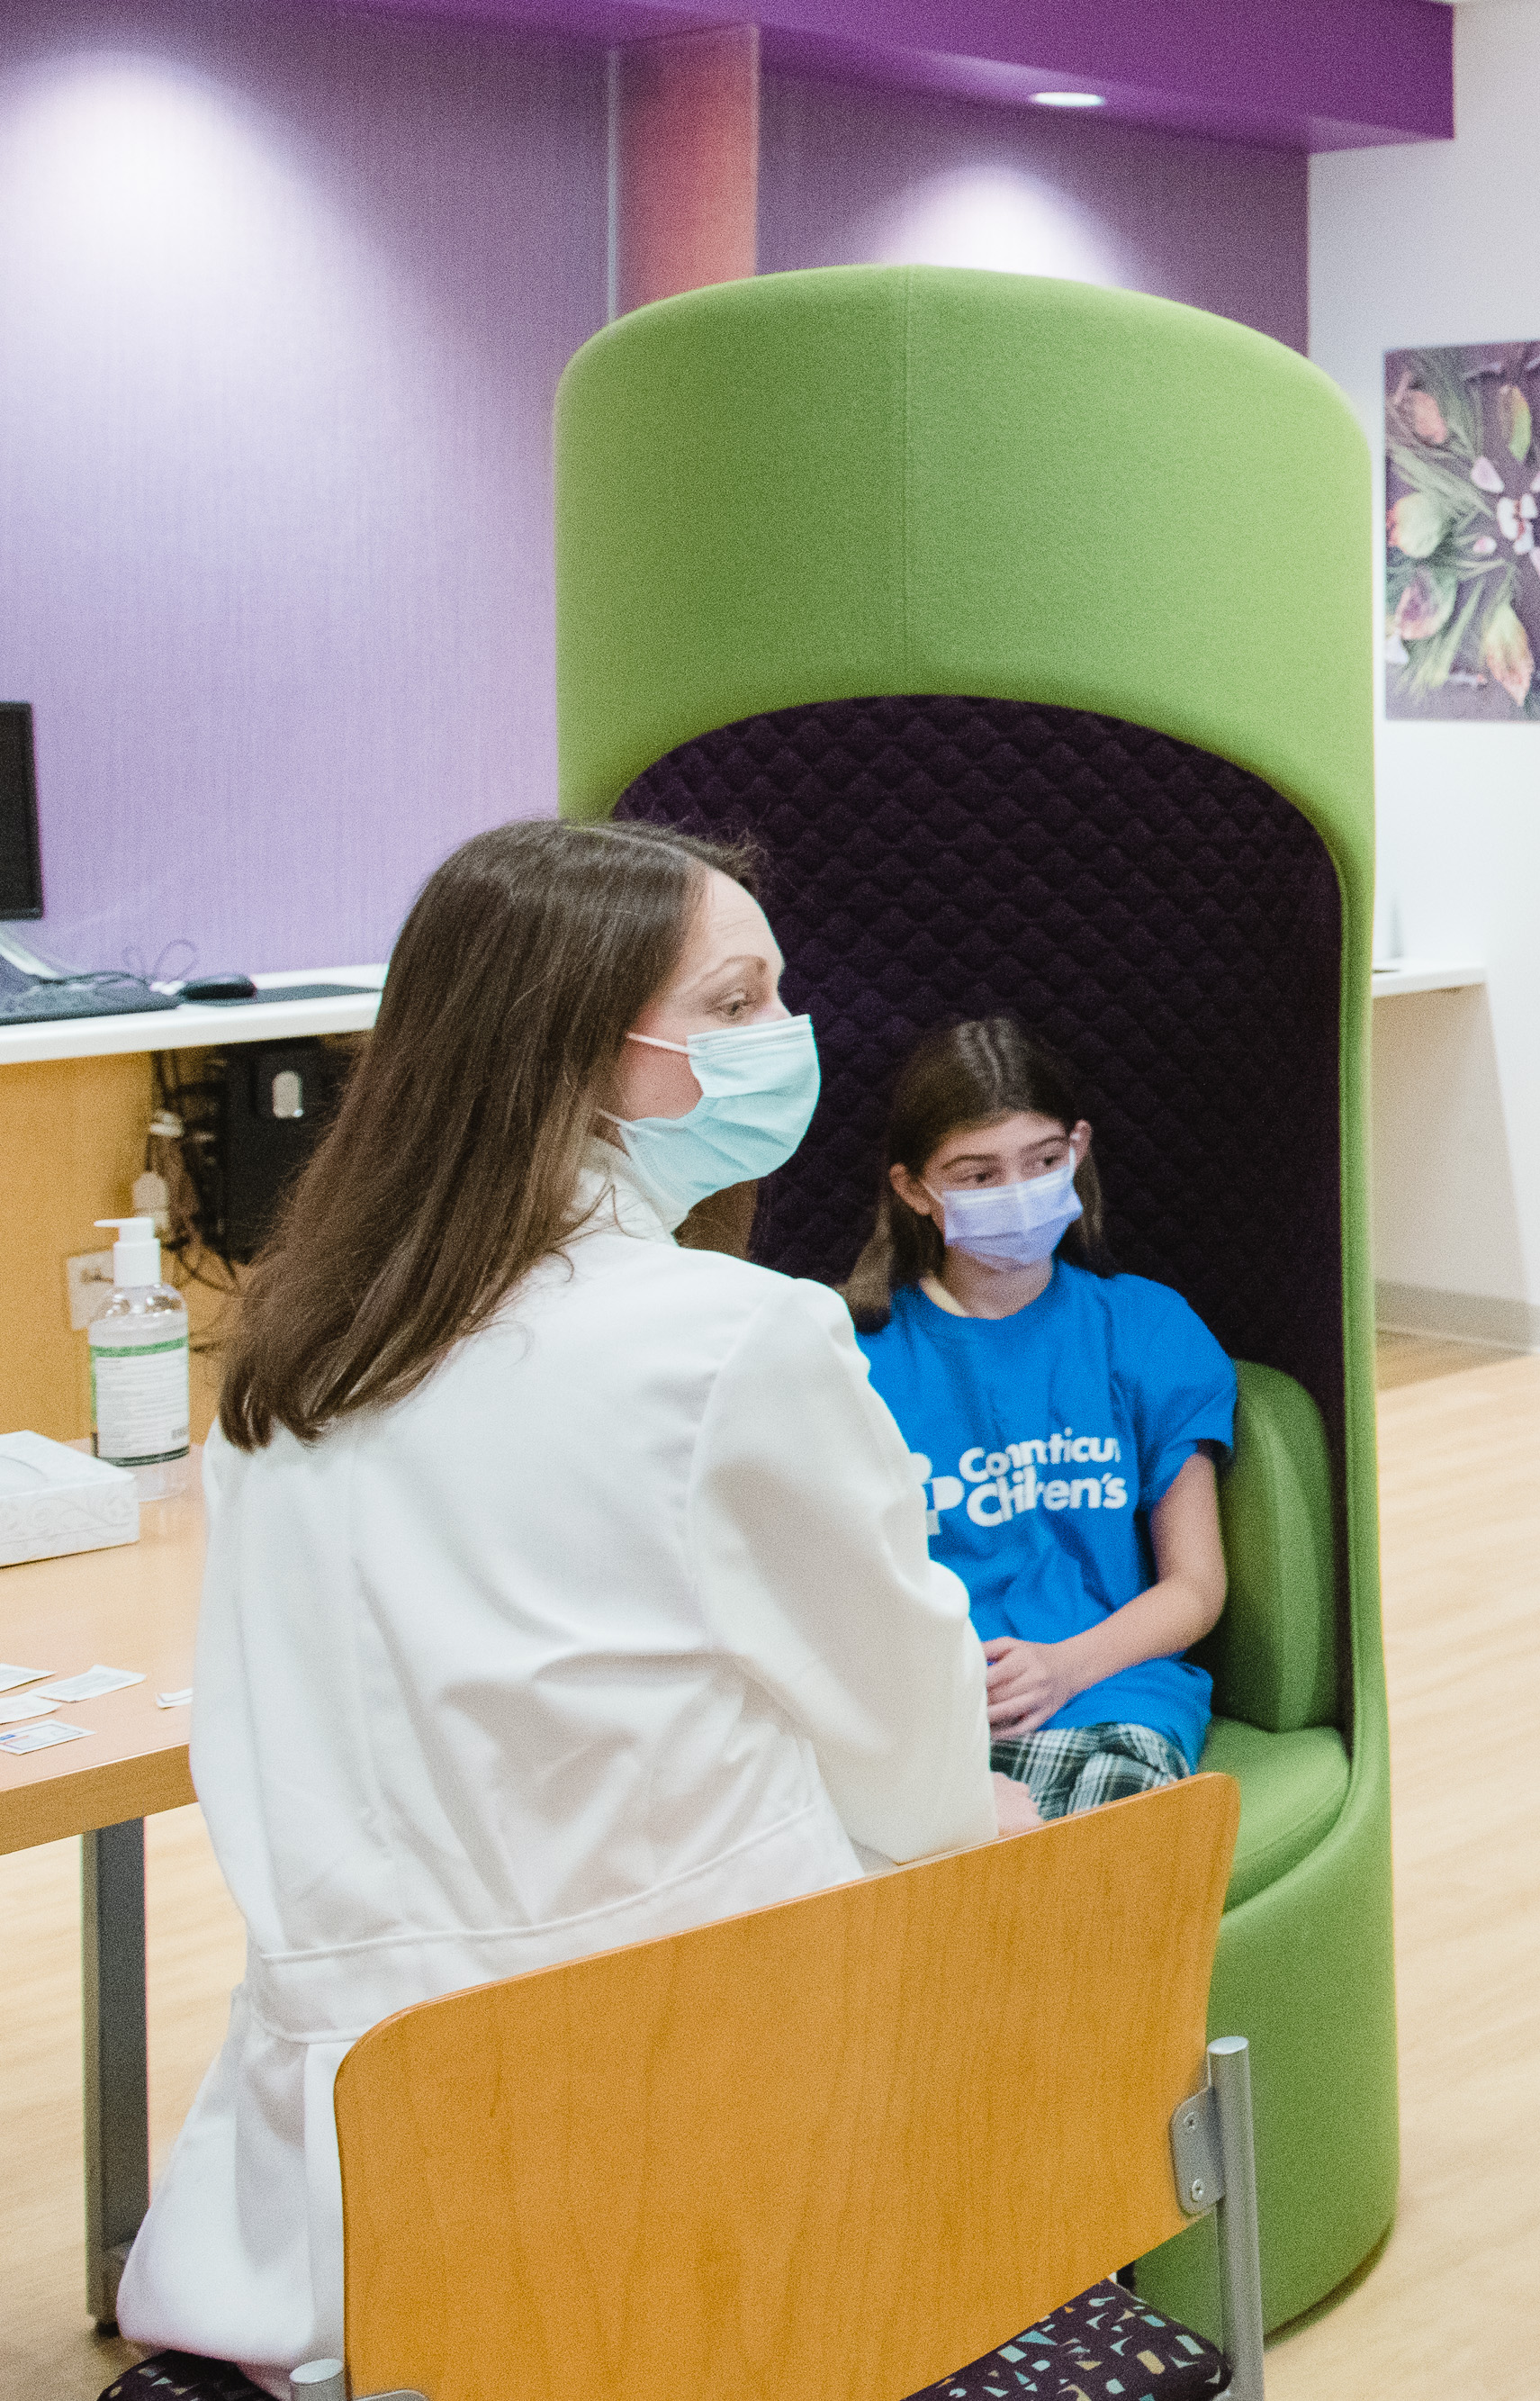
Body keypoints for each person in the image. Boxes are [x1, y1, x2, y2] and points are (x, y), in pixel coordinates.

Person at [111, 820, 1021, 2395]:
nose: (788, 1036)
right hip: (685, 2185)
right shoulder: (735, 1342)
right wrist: (973, 1813)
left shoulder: (289, 1365)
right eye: (735, 1002)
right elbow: (913, 1747)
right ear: (580, 1052)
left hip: (328, 2225)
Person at [845, 1016, 1234, 1821]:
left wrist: (1064, 1666)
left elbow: (1195, 1586)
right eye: (978, 1174)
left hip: (1115, 1697)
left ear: (1078, 1149)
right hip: (928, 1717)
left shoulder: (1148, 1329)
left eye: (1043, 1161)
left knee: (1096, 1875)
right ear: (914, 1189)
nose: (1017, 1192)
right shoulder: (853, 1358)